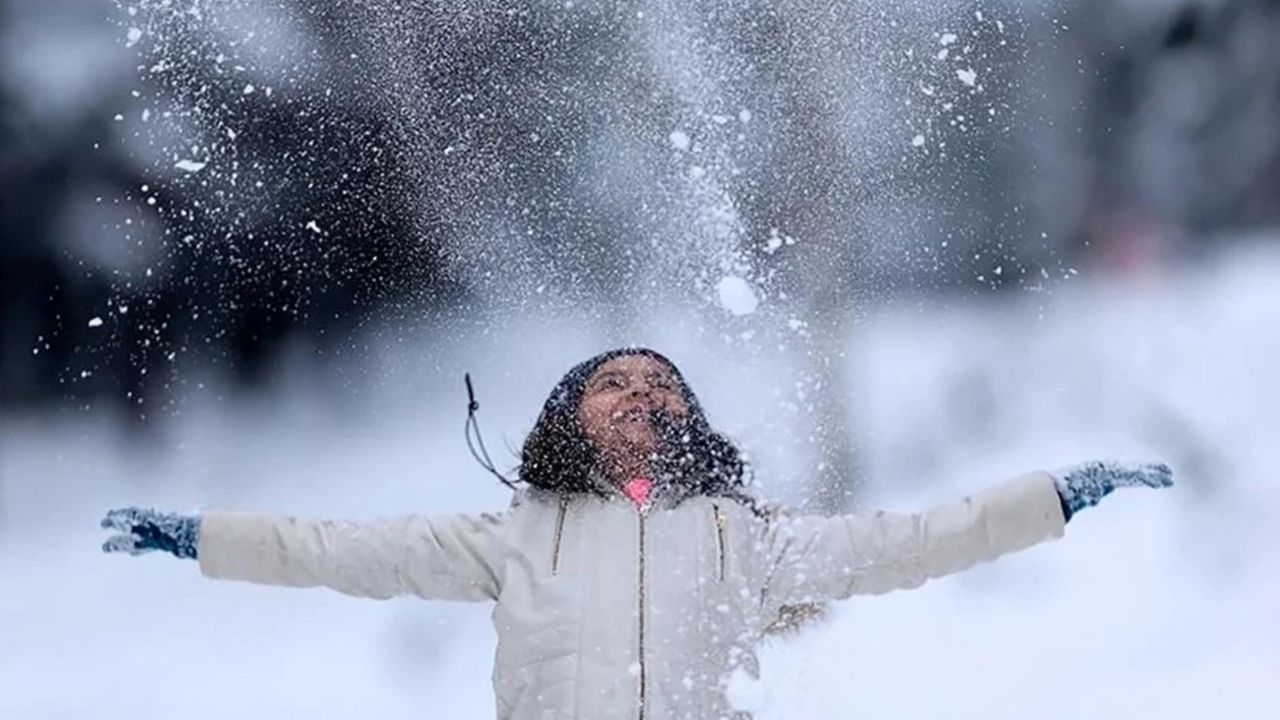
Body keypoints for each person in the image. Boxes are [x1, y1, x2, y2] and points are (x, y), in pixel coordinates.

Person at [101, 347, 1173, 720]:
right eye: (611, 382)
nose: (639, 393)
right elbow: (338, 548)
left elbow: (914, 541)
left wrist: (1053, 497)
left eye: (660, 384)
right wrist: (201, 538)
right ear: (567, 418)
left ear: (688, 419)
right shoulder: (513, 537)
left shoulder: (745, 538)